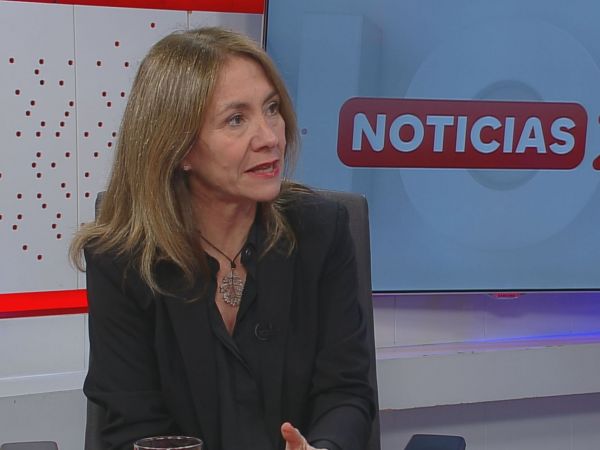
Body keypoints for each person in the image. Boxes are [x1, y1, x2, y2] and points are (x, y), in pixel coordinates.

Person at [71, 27, 375, 450]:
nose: (270, 137)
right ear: (180, 148)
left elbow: (345, 392)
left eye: (272, 109)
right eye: (236, 119)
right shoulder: (121, 260)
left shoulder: (320, 231)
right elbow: (133, 425)